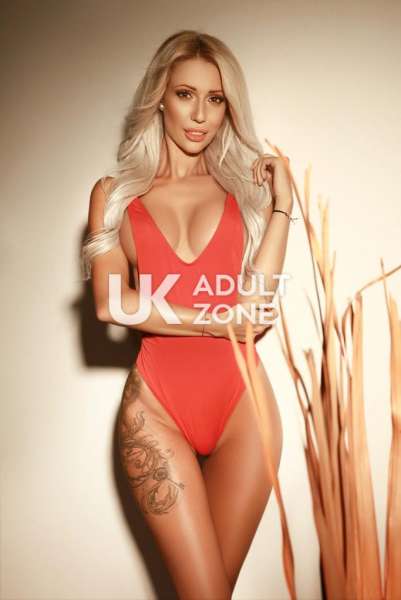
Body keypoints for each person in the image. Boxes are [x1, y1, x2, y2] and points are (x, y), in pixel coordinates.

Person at [82, 29, 294, 600]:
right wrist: (215, 320)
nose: (200, 114)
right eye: (185, 94)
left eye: (215, 99)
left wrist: (282, 207)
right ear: (160, 98)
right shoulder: (115, 196)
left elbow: (257, 307)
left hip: (245, 409)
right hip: (158, 408)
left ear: (228, 108)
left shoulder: (243, 194)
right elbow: (112, 303)